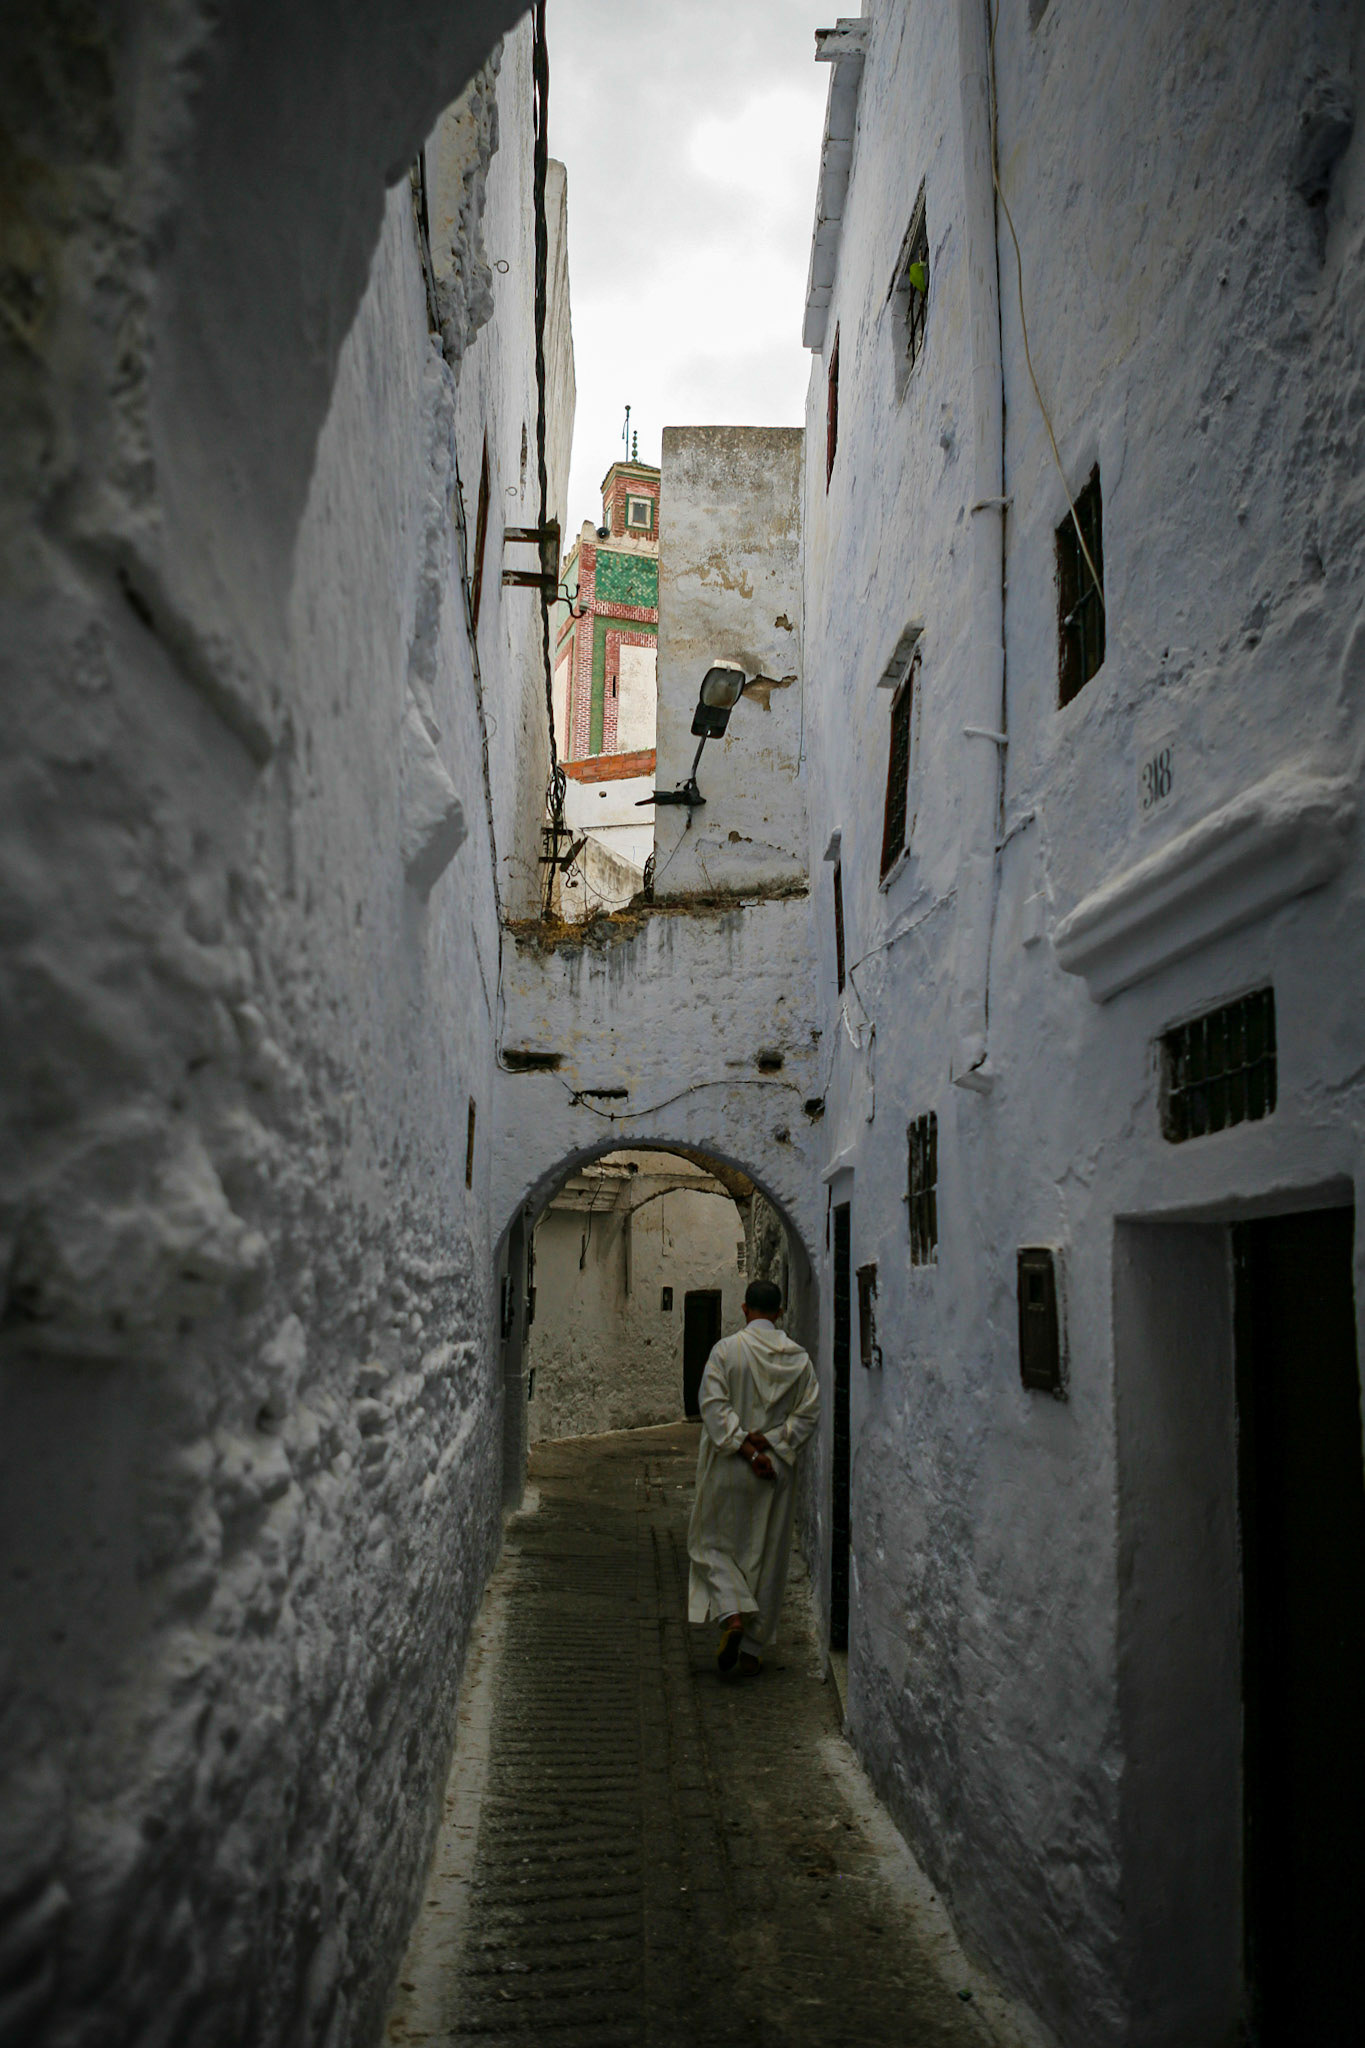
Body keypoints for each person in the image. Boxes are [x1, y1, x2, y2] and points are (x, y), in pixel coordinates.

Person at [686, 1277, 820, 1676]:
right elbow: (808, 1414)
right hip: (774, 1468)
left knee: (710, 1546)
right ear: (780, 1312)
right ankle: (753, 1649)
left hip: (729, 1464)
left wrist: (744, 1444)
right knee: (766, 1552)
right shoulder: (799, 1360)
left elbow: (712, 1406)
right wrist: (772, 1441)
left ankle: (732, 1614)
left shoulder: (726, 1352)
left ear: (745, 1309)